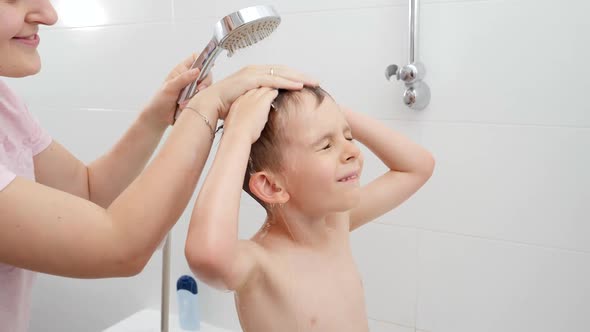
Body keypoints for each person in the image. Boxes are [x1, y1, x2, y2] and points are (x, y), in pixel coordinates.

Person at [0, 1, 318, 331]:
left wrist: (156, 118)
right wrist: (209, 106)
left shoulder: (5, 104)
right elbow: (120, 247)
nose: (49, 15)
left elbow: (87, 191)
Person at [184, 86, 435, 331]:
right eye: (326, 145)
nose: (353, 151)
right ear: (272, 185)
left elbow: (418, 167)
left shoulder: (336, 224)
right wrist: (238, 132)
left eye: (348, 137)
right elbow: (208, 256)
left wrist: (330, 111)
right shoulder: (260, 264)